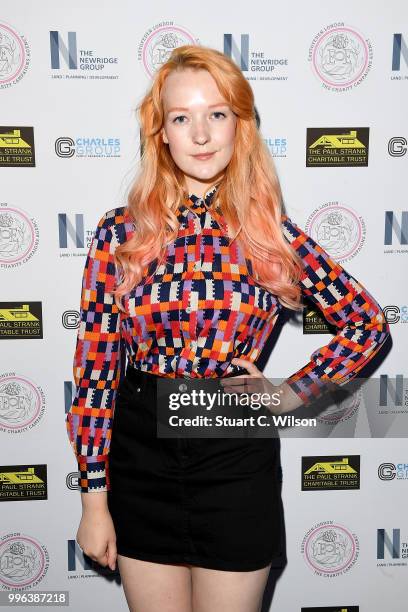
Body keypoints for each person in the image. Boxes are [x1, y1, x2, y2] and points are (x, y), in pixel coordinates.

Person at [66, 45, 390, 612]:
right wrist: (95, 502)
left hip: (233, 450)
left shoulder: (271, 233)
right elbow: (95, 371)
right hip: (140, 453)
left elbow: (367, 323)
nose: (200, 133)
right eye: (181, 117)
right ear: (160, 133)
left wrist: (291, 392)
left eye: (217, 114)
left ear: (240, 123)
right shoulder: (118, 233)